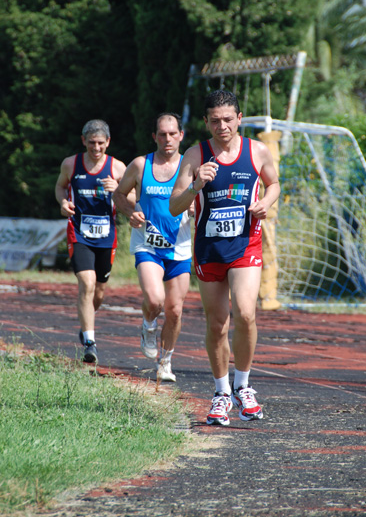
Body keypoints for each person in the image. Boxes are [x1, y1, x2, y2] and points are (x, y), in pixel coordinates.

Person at [170, 90, 280, 426]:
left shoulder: (256, 151)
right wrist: (194, 186)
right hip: (209, 250)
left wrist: (266, 202)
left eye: (228, 119)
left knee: (245, 314)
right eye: (215, 120)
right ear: (206, 122)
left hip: (245, 245)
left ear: (239, 118)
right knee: (217, 324)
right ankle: (220, 394)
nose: (222, 126)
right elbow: (174, 205)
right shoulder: (195, 155)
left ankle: (243, 386)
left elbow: (274, 184)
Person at [112, 112, 192, 383]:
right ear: (154, 137)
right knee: (156, 300)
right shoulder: (139, 165)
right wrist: (130, 212)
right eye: (162, 134)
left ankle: (166, 361)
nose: (167, 139)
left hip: (179, 247)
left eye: (172, 134)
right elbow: (119, 195)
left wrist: (195, 207)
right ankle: (148, 325)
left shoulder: (189, 166)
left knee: (175, 310)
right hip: (148, 244)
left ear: (181, 135)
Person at [55, 119, 127, 364]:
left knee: (99, 291)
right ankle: (90, 342)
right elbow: (60, 188)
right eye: (92, 143)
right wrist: (63, 203)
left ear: (108, 143)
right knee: (86, 282)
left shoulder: (117, 168)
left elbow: (135, 196)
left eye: (101, 143)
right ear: (83, 141)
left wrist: (118, 188)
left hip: (107, 236)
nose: (96, 148)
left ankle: (87, 324)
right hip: (79, 233)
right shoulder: (70, 164)